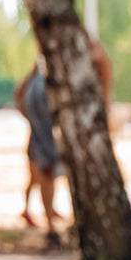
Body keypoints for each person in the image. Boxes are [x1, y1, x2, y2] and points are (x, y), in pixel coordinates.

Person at [14, 38, 112, 248]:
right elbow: (103, 66)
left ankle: (53, 225)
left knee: (47, 168)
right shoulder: (75, 49)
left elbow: (21, 95)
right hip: (49, 106)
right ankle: (56, 226)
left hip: (43, 109)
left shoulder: (57, 51)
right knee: (53, 167)